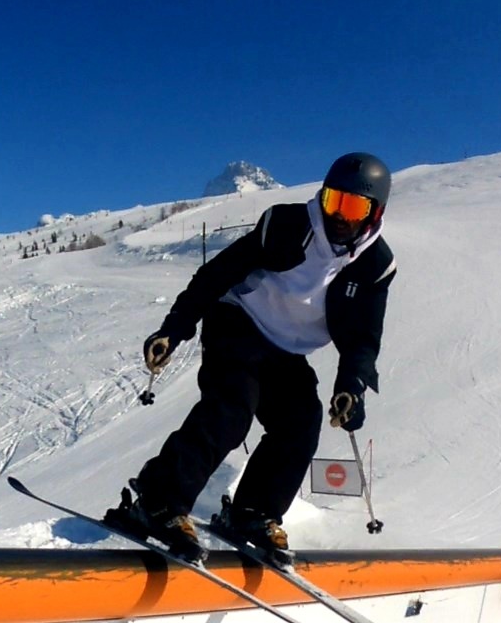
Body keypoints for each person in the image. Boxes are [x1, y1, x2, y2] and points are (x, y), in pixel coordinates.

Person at [105, 152, 396, 564]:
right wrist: (175, 328)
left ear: (374, 213)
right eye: (334, 201)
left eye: (353, 207)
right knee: (232, 407)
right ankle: (158, 502)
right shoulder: (286, 225)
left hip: (288, 350)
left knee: (301, 422)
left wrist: (352, 386)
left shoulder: (375, 266)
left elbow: (363, 338)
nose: (340, 216)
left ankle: (253, 514)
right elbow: (217, 273)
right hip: (238, 320)